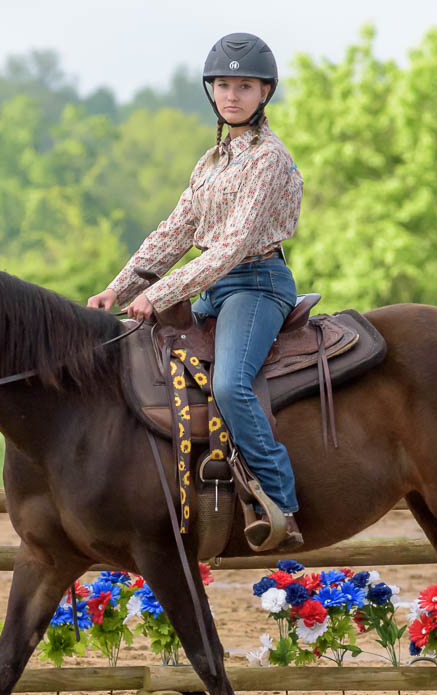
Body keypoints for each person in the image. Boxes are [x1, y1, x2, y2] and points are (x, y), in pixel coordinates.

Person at [87, 32, 305, 551]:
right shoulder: (211, 163)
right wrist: (116, 290)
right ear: (212, 91)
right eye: (224, 85)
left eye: (244, 86)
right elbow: (174, 232)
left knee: (230, 385)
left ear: (265, 94)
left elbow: (231, 247)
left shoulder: (269, 159)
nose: (232, 95)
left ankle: (283, 505)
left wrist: (161, 294)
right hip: (210, 286)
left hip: (255, 284)